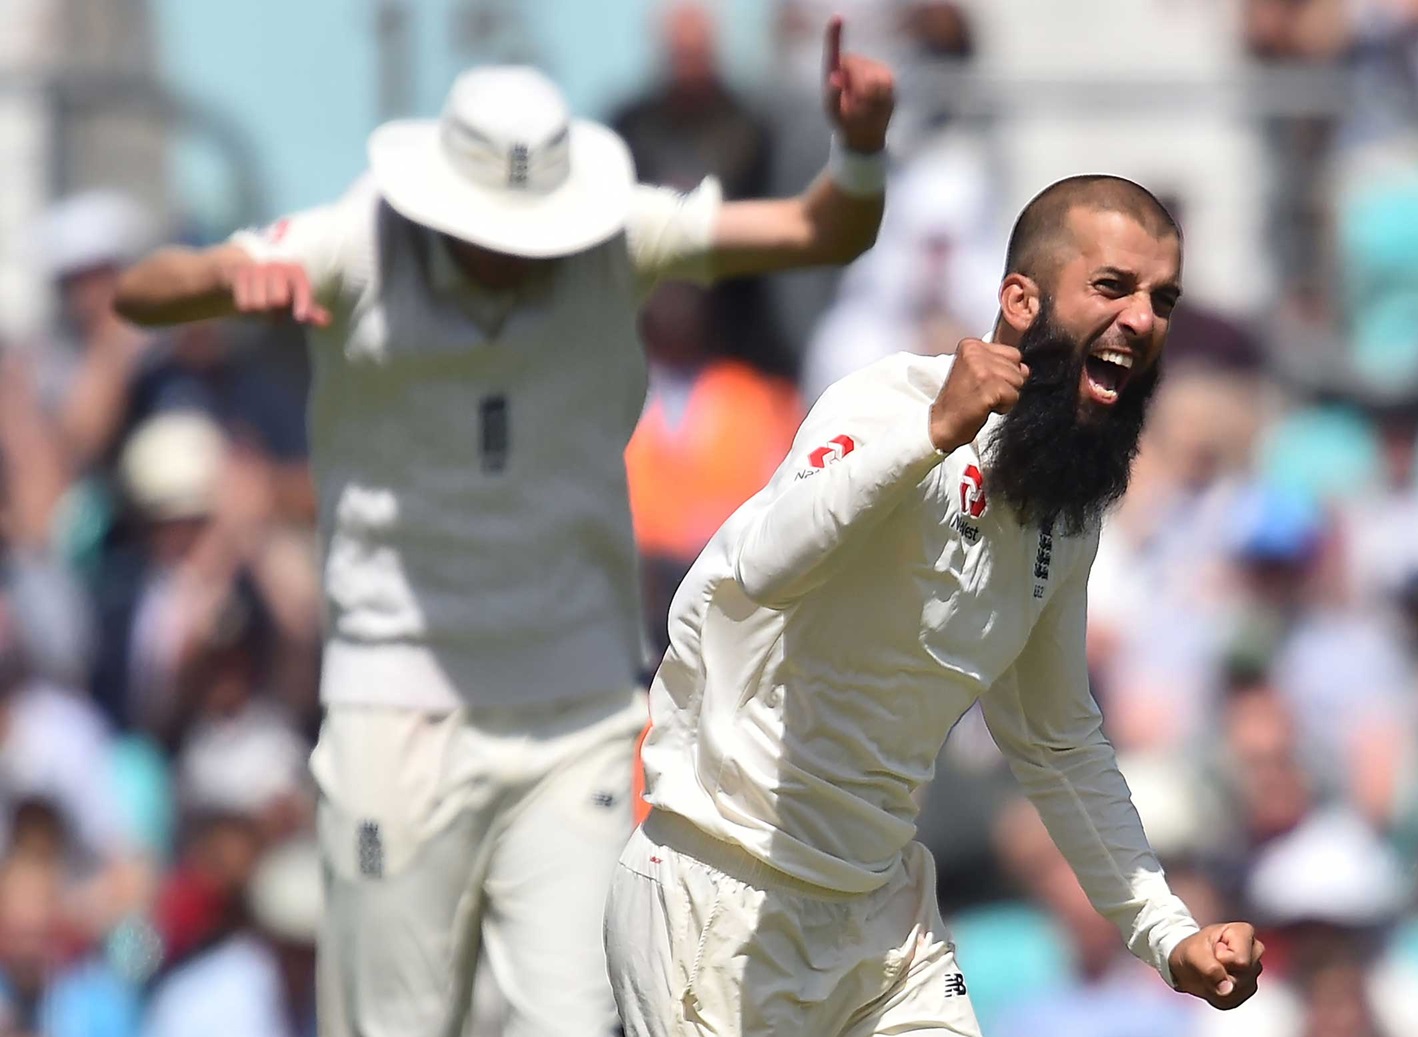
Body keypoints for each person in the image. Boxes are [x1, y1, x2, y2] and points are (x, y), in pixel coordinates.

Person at [111, 18, 896, 1037]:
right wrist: (231, 280)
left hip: (573, 713)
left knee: (570, 1018)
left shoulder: (616, 232)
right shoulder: (355, 240)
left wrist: (861, 148)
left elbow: (814, 231)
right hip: (396, 705)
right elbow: (143, 289)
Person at [608, 175, 1265, 1036]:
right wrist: (928, 437)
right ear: (1020, 300)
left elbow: (1059, 742)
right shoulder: (890, 404)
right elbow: (763, 566)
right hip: (721, 895)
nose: (1143, 320)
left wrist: (1166, 932)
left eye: (1162, 298)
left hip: (883, 918)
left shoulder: (1061, 514)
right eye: (1112, 287)